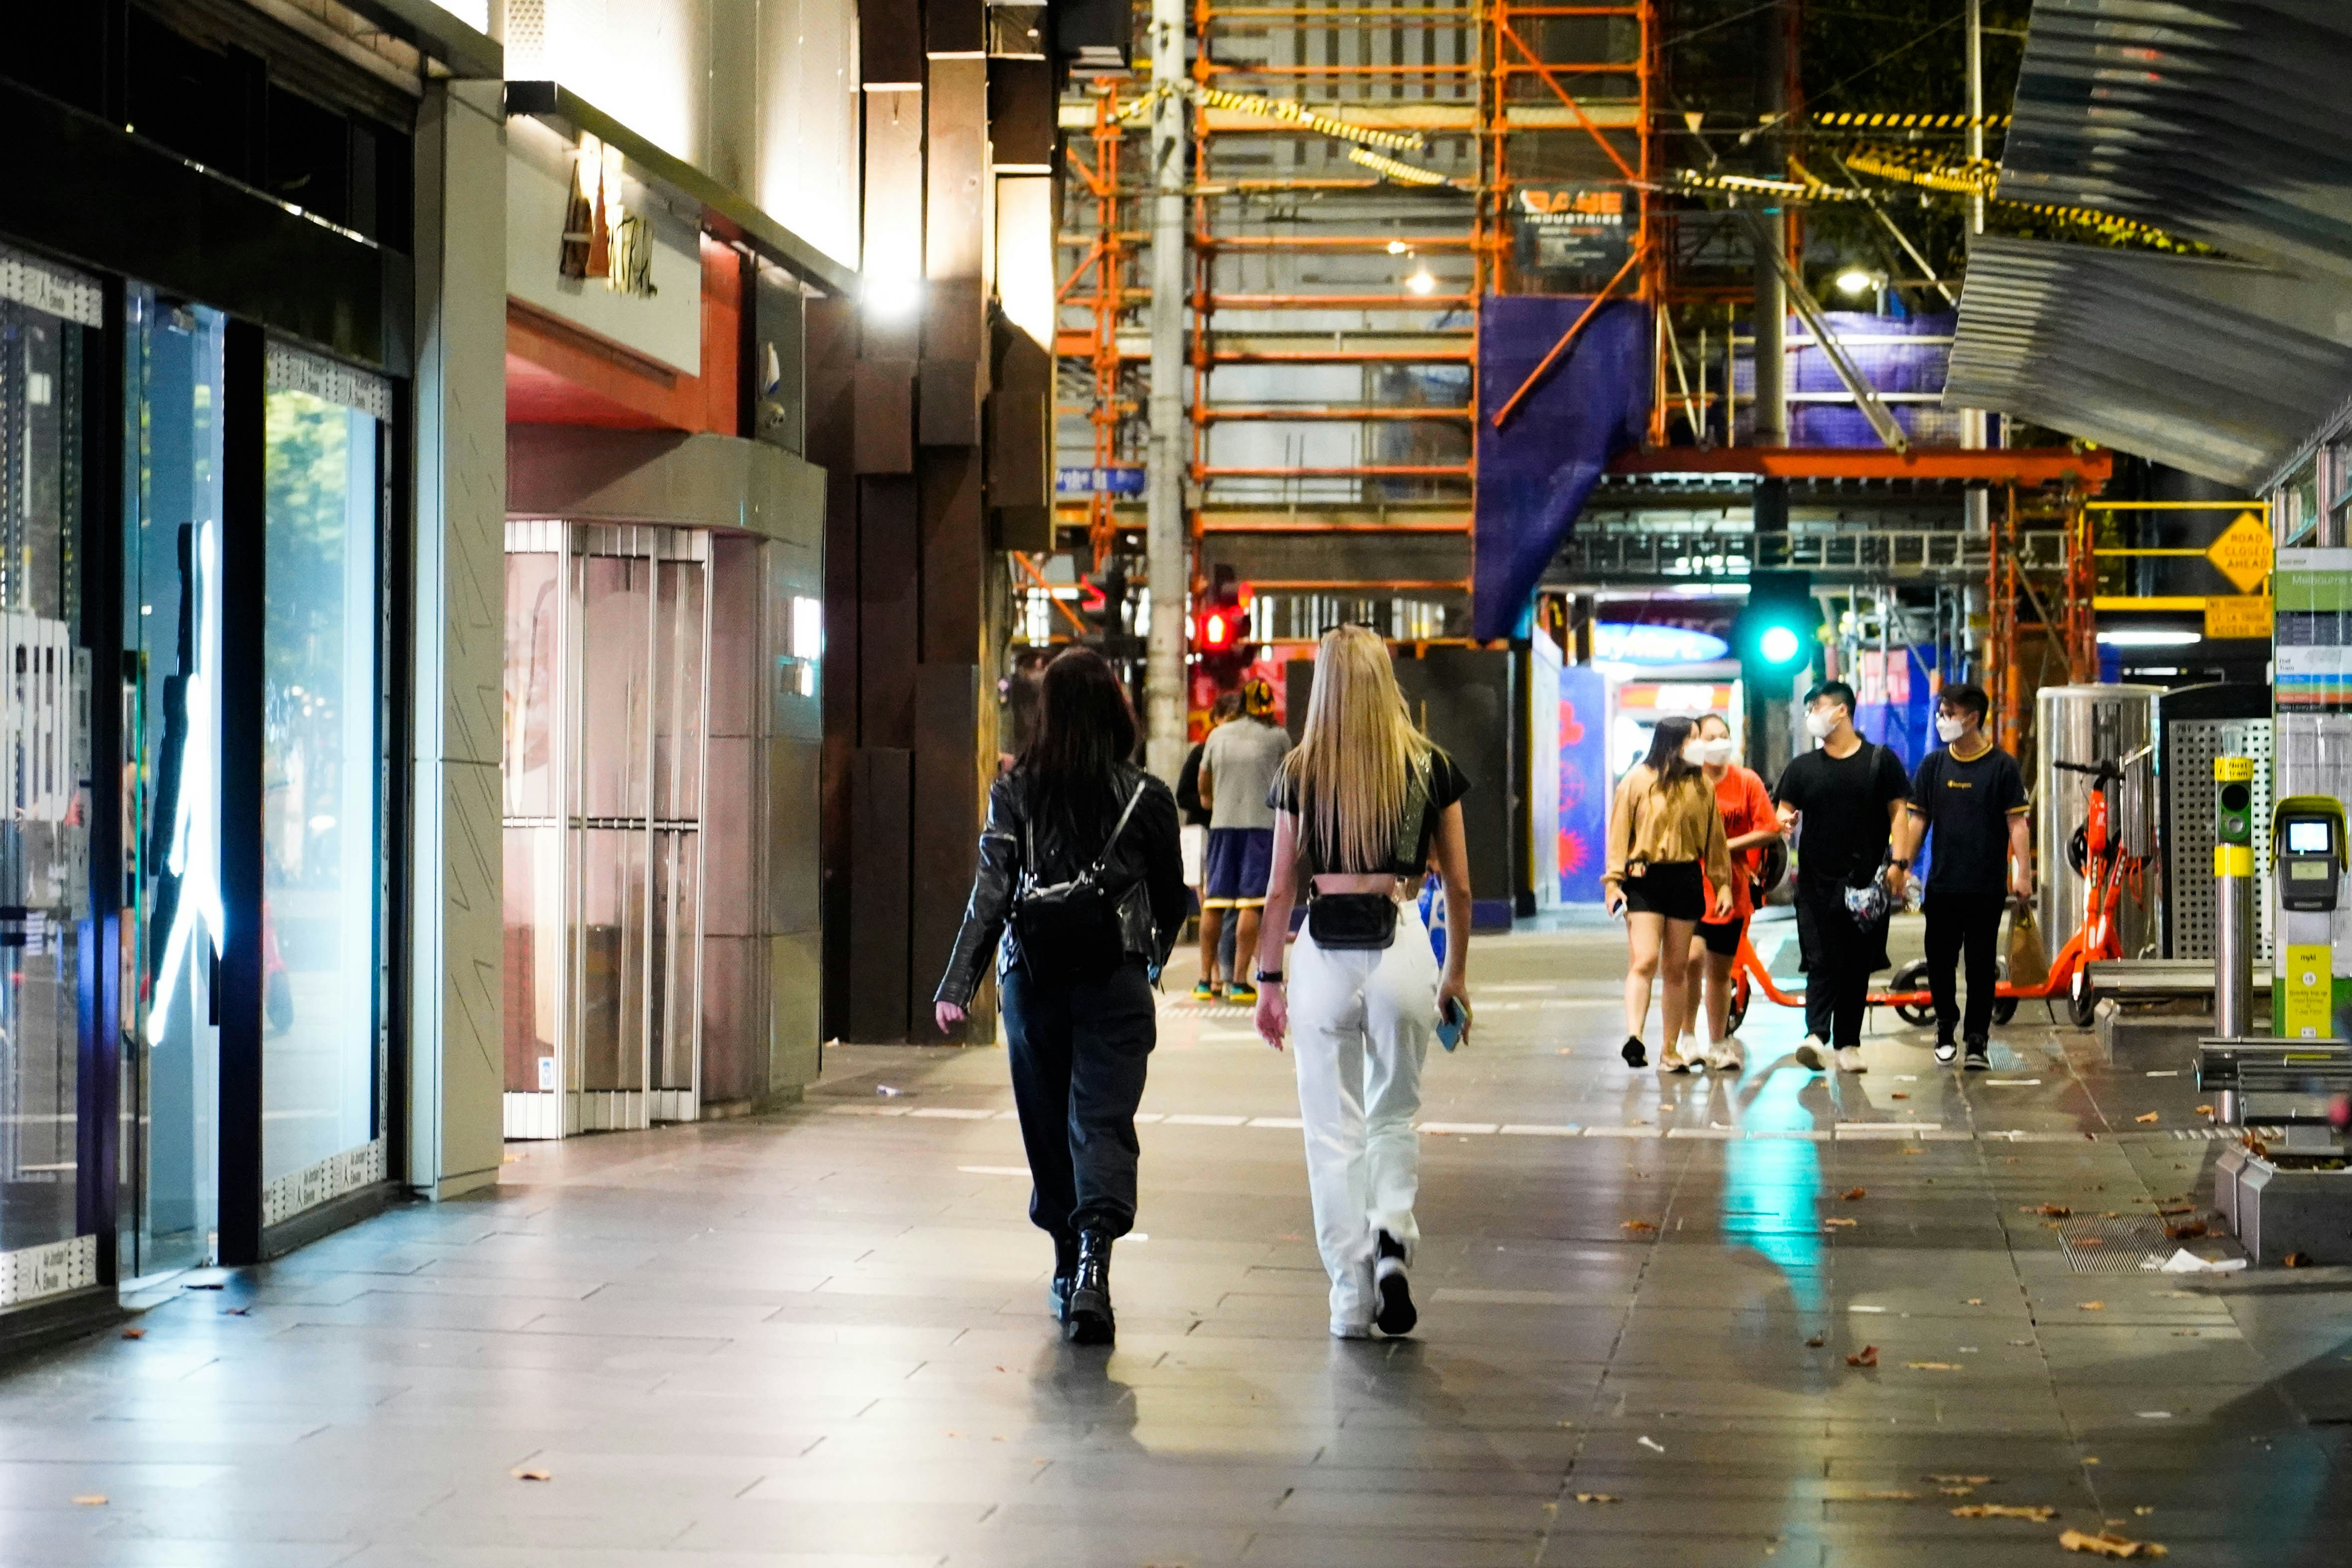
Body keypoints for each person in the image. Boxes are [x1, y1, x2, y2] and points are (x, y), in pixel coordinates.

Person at [934, 647, 1188, 1347]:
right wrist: (1151, 957)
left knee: (1049, 1126)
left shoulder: (1015, 793)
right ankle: (1093, 1273)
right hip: (1116, 981)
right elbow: (1173, 899)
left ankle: (1062, 1262)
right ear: (1117, 709)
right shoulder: (1147, 797)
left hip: (1033, 985)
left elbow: (990, 894)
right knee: (1102, 1125)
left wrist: (958, 986)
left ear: (1043, 712)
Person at [1252, 627, 1471, 1341]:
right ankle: (1390, 1239)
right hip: (1401, 942)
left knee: (1331, 1129)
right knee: (1392, 1115)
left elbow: (1279, 890)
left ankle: (1350, 1294)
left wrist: (1268, 980)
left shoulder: (1300, 771)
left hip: (1323, 951)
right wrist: (1456, 976)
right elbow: (1462, 890)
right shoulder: (1427, 767)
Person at [1772, 679, 1911, 1074]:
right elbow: (1781, 812)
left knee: (1855, 964)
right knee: (1820, 959)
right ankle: (1816, 1036)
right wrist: (1783, 821)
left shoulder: (1879, 760)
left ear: (1841, 711)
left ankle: (1848, 1043)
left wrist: (1900, 864)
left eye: (1816, 706)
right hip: (1816, 882)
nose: (1812, 715)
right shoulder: (1801, 768)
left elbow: (1898, 812)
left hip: (1866, 881)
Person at [1897, 681, 2032, 1070]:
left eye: (1949, 713)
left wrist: (2022, 875)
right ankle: (1944, 1026)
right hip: (1941, 885)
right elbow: (1918, 820)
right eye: (1942, 712)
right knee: (1939, 962)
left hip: (1985, 886)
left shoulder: (2002, 767)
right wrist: (1902, 864)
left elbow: (2017, 825)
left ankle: (1976, 1038)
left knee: (1979, 964)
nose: (1942, 719)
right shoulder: (1933, 766)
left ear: (1972, 718)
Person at [1602, 716, 1735, 1073]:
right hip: (1644, 877)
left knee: (1676, 968)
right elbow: (1619, 835)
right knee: (1644, 959)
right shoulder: (1636, 781)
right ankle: (1635, 1037)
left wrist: (1721, 882)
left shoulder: (1702, 785)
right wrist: (1613, 881)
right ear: (1671, 743)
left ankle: (1670, 1049)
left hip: (1686, 877)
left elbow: (1715, 840)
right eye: (1692, 739)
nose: (1699, 746)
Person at [1676, 712, 1782, 1072]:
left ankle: (1718, 1043)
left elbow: (1768, 829)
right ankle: (1686, 1036)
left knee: (1720, 972)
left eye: (1723, 735)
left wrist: (1725, 845)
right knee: (1691, 959)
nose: (1718, 742)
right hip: (1691, 885)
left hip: (1731, 888)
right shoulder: (1687, 782)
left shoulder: (1746, 781)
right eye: (1710, 737)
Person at [1198, 678, 1290, 1004]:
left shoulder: (1217, 734)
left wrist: (1210, 800)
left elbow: (1203, 780)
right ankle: (1238, 981)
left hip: (1222, 826)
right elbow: (1288, 779)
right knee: (1251, 902)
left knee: (1215, 901)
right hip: (1260, 827)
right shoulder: (1278, 736)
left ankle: (1204, 981)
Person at [1176, 692, 1244, 998]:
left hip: (1226, 833)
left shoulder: (1240, 755)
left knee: (1224, 905)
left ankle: (1224, 973)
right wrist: (1212, 805)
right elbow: (1183, 795)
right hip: (1202, 833)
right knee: (1209, 905)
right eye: (1228, 716)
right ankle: (1213, 974)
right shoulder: (1202, 752)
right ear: (1216, 719)